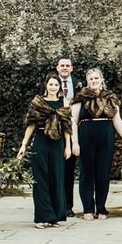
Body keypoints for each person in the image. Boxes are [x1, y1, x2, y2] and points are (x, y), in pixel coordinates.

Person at [71, 67, 122, 220]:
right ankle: (87, 209)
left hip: (106, 138)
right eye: (91, 79)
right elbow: (72, 122)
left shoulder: (110, 98)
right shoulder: (81, 98)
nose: (94, 81)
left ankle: (101, 208)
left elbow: (117, 120)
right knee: (86, 173)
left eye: (96, 78)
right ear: (87, 81)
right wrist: (75, 143)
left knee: (103, 173)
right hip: (86, 138)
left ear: (101, 80)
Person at [18, 72, 72, 228]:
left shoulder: (64, 103)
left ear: (59, 87)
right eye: (51, 84)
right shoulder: (38, 102)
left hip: (58, 143)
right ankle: (42, 217)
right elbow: (31, 124)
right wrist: (24, 144)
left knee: (57, 178)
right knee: (41, 179)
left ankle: (55, 217)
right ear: (46, 85)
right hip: (41, 141)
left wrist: (68, 146)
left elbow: (67, 127)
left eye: (56, 84)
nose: (53, 87)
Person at [56, 56, 79, 217]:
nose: (65, 68)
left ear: (72, 68)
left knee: (69, 170)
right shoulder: (49, 84)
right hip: (55, 131)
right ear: (57, 68)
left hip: (73, 131)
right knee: (55, 169)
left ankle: (68, 205)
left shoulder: (79, 84)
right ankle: (56, 204)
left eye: (67, 65)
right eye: (62, 65)